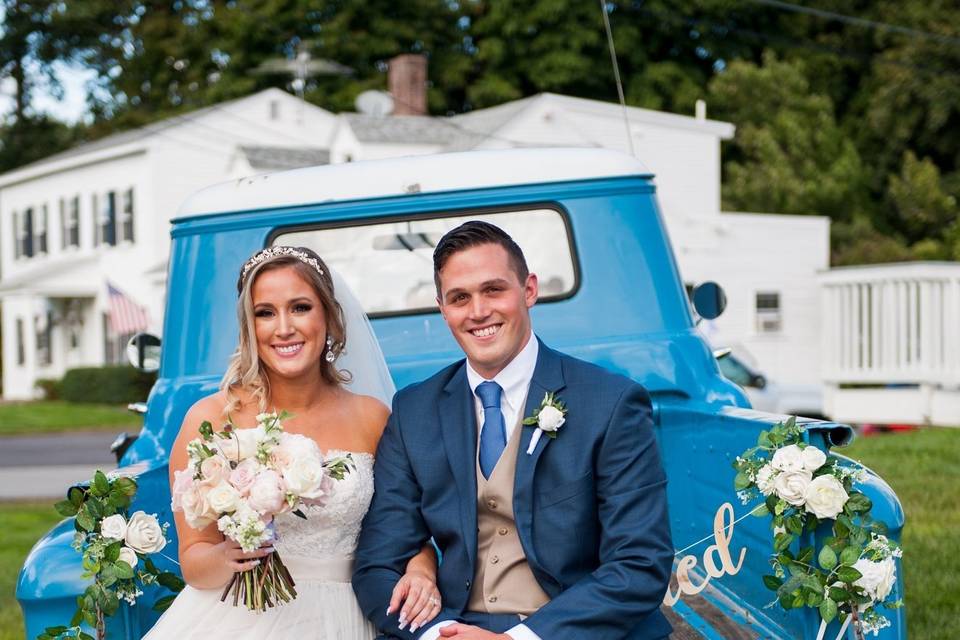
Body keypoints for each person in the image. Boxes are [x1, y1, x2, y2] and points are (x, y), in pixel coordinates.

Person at [353, 222, 674, 640]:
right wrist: (439, 632)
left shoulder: (611, 402)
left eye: (493, 290)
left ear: (529, 290)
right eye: (459, 298)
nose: (478, 311)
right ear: (442, 308)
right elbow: (379, 561)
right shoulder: (415, 410)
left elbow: (639, 563)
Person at [145, 246, 442, 639]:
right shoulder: (211, 419)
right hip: (239, 619)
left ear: (329, 316)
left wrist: (422, 569)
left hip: (348, 615)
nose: (283, 328)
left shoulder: (372, 417)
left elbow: (405, 532)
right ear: (249, 327)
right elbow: (194, 563)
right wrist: (231, 553)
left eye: (300, 307)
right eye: (265, 313)